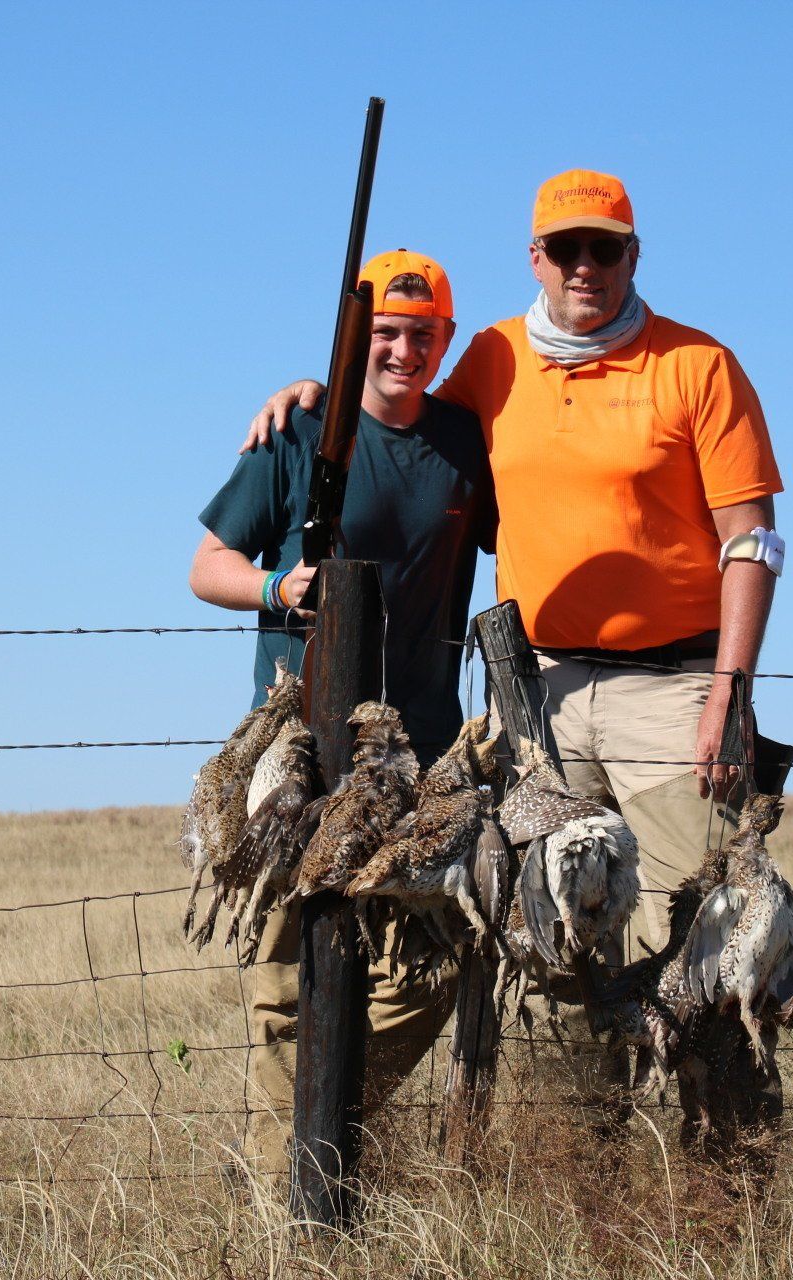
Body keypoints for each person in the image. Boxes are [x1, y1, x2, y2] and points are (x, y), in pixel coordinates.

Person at [246, 172, 783, 948]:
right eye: (567, 248)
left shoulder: (699, 366)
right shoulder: (495, 356)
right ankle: (580, 1078)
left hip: (674, 694)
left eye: (606, 247)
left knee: (697, 924)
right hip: (537, 695)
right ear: (536, 257)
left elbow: (752, 542)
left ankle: (700, 1074)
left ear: (635, 257)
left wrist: (730, 691)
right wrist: (316, 393)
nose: (585, 266)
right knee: (554, 932)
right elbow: (403, 410)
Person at [192, 248, 496, 1177]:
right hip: (302, 753)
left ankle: (325, 1131)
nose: (404, 351)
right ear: (361, 338)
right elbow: (206, 568)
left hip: (419, 756)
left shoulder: (462, 443)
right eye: (387, 334)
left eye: (423, 335)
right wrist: (281, 587)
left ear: (446, 342)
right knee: (286, 991)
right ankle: (285, 1205)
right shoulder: (296, 431)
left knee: (442, 966)